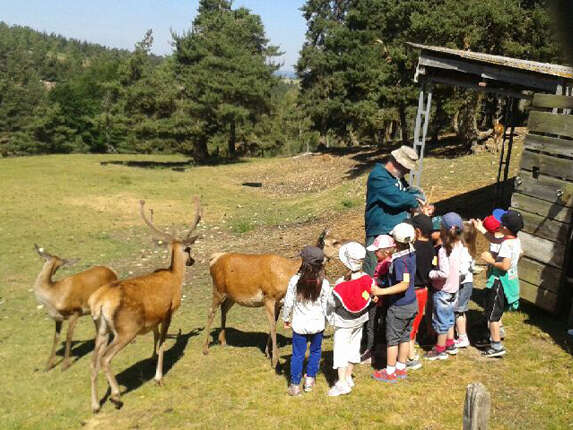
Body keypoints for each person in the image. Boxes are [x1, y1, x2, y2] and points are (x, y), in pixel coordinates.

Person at [362, 146, 429, 361]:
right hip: (380, 240)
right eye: (405, 168)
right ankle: (370, 344)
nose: (407, 173)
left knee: (394, 287)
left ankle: (388, 340)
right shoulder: (378, 176)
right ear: (397, 163)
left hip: (395, 240)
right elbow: (398, 199)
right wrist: (411, 199)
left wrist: (412, 195)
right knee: (375, 289)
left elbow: (412, 192)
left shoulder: (397, 180)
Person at [370, 223, 418, 382]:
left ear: (396, 242)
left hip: (399, 306)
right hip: (412, 303)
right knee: (405, 337)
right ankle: (401, 368)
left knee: (392, 340)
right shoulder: (412, 253)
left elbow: (403, 284)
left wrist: (381, 291)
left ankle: (390, 372)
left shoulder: (399, 262)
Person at [327, 242, 375, 396]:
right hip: (360, 319)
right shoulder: (367, 279)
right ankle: (348, 376)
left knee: (341, 351)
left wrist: (329, 315)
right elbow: (371, 294)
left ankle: (341, 383)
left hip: (344, 322)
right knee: (354, 347)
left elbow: (332, 303)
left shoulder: (341, 285)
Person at [282, 246, 330, 396]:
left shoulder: (295, 280)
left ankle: (295, 385)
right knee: (315, 352)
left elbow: (288, 302)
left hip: (300, 326)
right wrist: (326, 322)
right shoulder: (324, 283)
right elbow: (326, 305)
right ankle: (309, 380)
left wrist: (285, 318)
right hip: (317, 325)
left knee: (297, 355)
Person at [479, 210, 523, 357]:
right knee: (495, 313)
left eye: (502, 224)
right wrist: (483, 231)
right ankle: (491, 339)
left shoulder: (506, 245)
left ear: (505, 227)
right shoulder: (514, 240)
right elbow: (496, 240)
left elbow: (505, 265)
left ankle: (496, 346)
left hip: (500, 283)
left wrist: (490, 260)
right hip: (510, 281)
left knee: (493, 316)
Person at [425, 212, 464, 360]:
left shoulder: (443, 250)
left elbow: (444, 273)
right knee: (449, 318)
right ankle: (450, 342)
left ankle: (439, 349)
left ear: (443, 229)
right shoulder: (459, 245)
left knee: (441, 320)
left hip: (443, 290)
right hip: (454, 289)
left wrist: (431, 274)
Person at [406, 214, 435, 370]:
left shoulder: (413, 250)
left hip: (412, 291)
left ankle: (410, 357)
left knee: (408, 325)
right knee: (415, 322)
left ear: (416, 231)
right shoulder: (431, 248)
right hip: (424, 290)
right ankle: (410, 351)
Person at [363, 234, 396, 365]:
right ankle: (378, 348)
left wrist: (373, 282)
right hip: (381, 299)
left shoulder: (387, 264)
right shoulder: (385, 261)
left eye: (377, 251)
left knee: (371, 325)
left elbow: (386, 282)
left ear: (386, 251)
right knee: (377, 325)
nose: (375, 253)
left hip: (379, 300)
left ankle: (371, 351)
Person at [454, 222, 478, 348]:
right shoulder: (471, 248)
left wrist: (453, 281)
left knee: (459, 311)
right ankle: (460, 334)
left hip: (462, 284)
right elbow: (472, 267)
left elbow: (462, 271)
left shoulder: (463, 251)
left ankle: (463, 337)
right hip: (468, 282)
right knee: (461, 310)